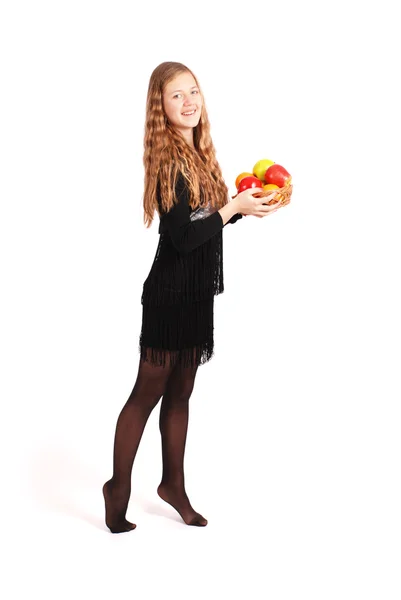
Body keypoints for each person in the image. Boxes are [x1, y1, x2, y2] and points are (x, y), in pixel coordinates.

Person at [102, 61, 283, 533]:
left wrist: (247, 208)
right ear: (160, 107)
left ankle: (173, 485)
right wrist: (230, 209)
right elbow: (181, 237)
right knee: (147, 393)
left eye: (194, 92)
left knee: (182, 392)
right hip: (167, 295)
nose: (189, 101)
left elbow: (206, 222)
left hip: (198, 294)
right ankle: (117, 486)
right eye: (177, 95)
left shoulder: (199, 152)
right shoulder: (167, 158)